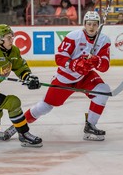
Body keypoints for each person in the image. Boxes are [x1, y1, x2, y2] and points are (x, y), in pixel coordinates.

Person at [22, 11, 111, 141]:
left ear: (98, 25)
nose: (91, 27)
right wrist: (74, 64)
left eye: (94, 24)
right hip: (65, 77)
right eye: (89, 24)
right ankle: (20, 125)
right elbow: (59, 58)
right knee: (44, 106)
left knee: (103, 91)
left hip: (85, 76)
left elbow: (105, 66)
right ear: (84, 24)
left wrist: (96, 61)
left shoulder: (103, 40)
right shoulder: (74, 36)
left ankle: (90, 126)